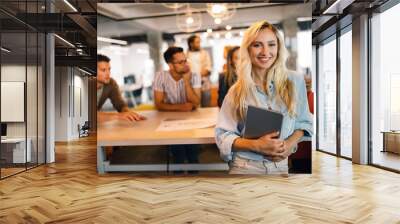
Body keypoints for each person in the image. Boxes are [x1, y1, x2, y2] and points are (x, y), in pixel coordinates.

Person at [215, 21, 313, 175]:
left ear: (278, 47)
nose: (265, 51)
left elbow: (304, 122)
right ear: (247, 49)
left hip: (280, 166)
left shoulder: (295, 81)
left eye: (271, 44)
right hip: (245, 167)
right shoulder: (237, 90)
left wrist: (289, 144)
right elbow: (223, 135)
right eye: (257, 45)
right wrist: (256, 146)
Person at [154, 46, 201, 173]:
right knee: (177, 152)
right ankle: (178, 178)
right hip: (170, 121)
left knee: (193, 154)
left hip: (192, 121)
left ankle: (195, 177)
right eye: (181, 62)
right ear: (170, 65)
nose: (185, 65)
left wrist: (186, 82)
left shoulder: (194, 75)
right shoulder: (160, 76)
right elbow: (158, 105)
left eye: (185, 60)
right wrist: (181, 107)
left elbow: (196, 102)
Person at [97, 54, 145, 122]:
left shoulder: (111, 83)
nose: (108, 73)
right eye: (103, 70)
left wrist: (128, 113)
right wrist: (118, 116)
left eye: (109, 69)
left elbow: (120, 105)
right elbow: (87, 114)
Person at [186, 35, 212, 107]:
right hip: (191, 84)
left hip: (204, 83)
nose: (199, 44)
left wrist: (197, 77)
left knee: (206, 105)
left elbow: (208, 68)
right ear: (191, 44)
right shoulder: (186, 55)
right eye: (197, 42)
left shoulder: (205, 53)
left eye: (199, 42)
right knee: (194, 106)